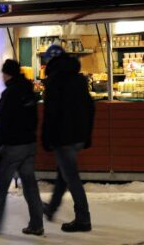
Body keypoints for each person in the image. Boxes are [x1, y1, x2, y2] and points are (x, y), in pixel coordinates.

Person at [0, 59, 44, 236]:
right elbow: (34, 120)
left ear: (7, 74)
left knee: (0, 188)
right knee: (30, 187)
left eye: (3, 74)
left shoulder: (9, 94)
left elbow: (3, 123)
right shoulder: (28, 92)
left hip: (12, 147)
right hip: (28, 145)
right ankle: (37, 224)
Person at [41, 45, 95, 232]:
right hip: (77, 135)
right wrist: (86, 134)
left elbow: (51, 113)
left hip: (63, 137)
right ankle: (51, 208)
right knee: (63, 173)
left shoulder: (54, 82)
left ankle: (83, 219)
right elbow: (90, 107)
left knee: (71, 177)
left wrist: (46, 138)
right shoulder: (78, 79)